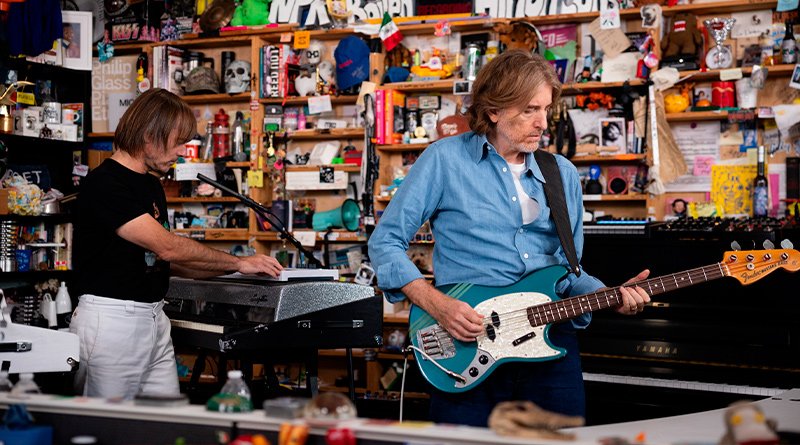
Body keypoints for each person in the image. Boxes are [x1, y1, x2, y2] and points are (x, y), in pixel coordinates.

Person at [368, 50, 651, 427]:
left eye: (545, 109)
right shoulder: (444, 160)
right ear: (493, 111)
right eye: (529, 110)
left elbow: (569, 271)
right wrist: (438, 305)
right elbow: (385, 242)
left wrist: (610, 295)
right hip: (467, 342)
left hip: (551, 346)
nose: (542, 123)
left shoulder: (561, 172)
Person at [71, 88, 283, 400]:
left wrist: (237, 271)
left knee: (167, 417)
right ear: (149, 136)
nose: (183, 152)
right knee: (108, 422)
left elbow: (166, 262)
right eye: (178, 142)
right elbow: (168, 247)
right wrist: (238, 261)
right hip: (112, 322)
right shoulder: (106, 183)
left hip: (154, 319)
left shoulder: (151, 184)